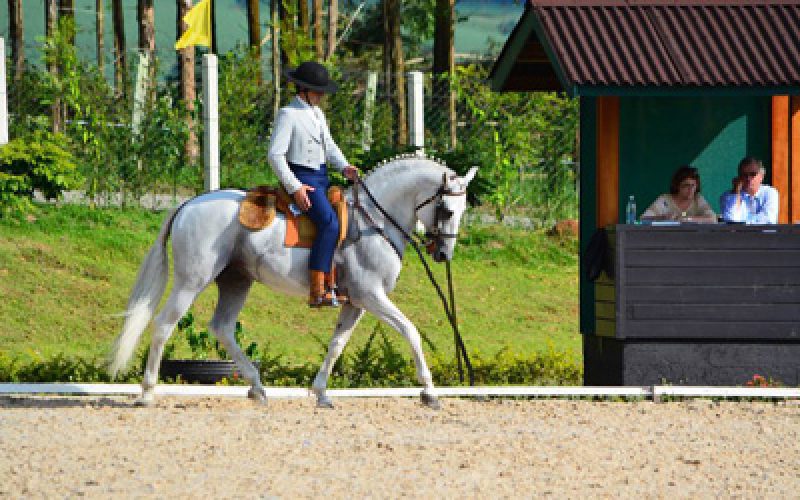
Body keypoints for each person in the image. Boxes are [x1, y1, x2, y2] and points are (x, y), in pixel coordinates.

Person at [268, 61, 360, 307]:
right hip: (303, 179)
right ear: (303, 90)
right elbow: (275, 155)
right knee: (329, 223)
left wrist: (344, 166)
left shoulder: (318, 114)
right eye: (317, 91)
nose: (321, 96)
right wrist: (294, 187)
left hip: (321, 176)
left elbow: (329, 147)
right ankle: (317, 289)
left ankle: (336, 279)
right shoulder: (288, 114)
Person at [640, 165, 717, 223]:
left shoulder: (698, 199)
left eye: (693, 185)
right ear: (677, 186)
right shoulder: (665, 200)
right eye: (686, 185)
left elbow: (713, 219)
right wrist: (663, 218)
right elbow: (643, 219)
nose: (690, 189)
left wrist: (688, 219)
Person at [719, 156, 779, 224]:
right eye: (744, 175)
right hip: (740, 234)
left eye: (753, 174)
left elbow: (768, 219)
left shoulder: (770, 192)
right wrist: (736, 192)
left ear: (761, 176)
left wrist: (743, 223)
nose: (748, 178)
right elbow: (730, 219)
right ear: (739, 177)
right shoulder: (727, 196)